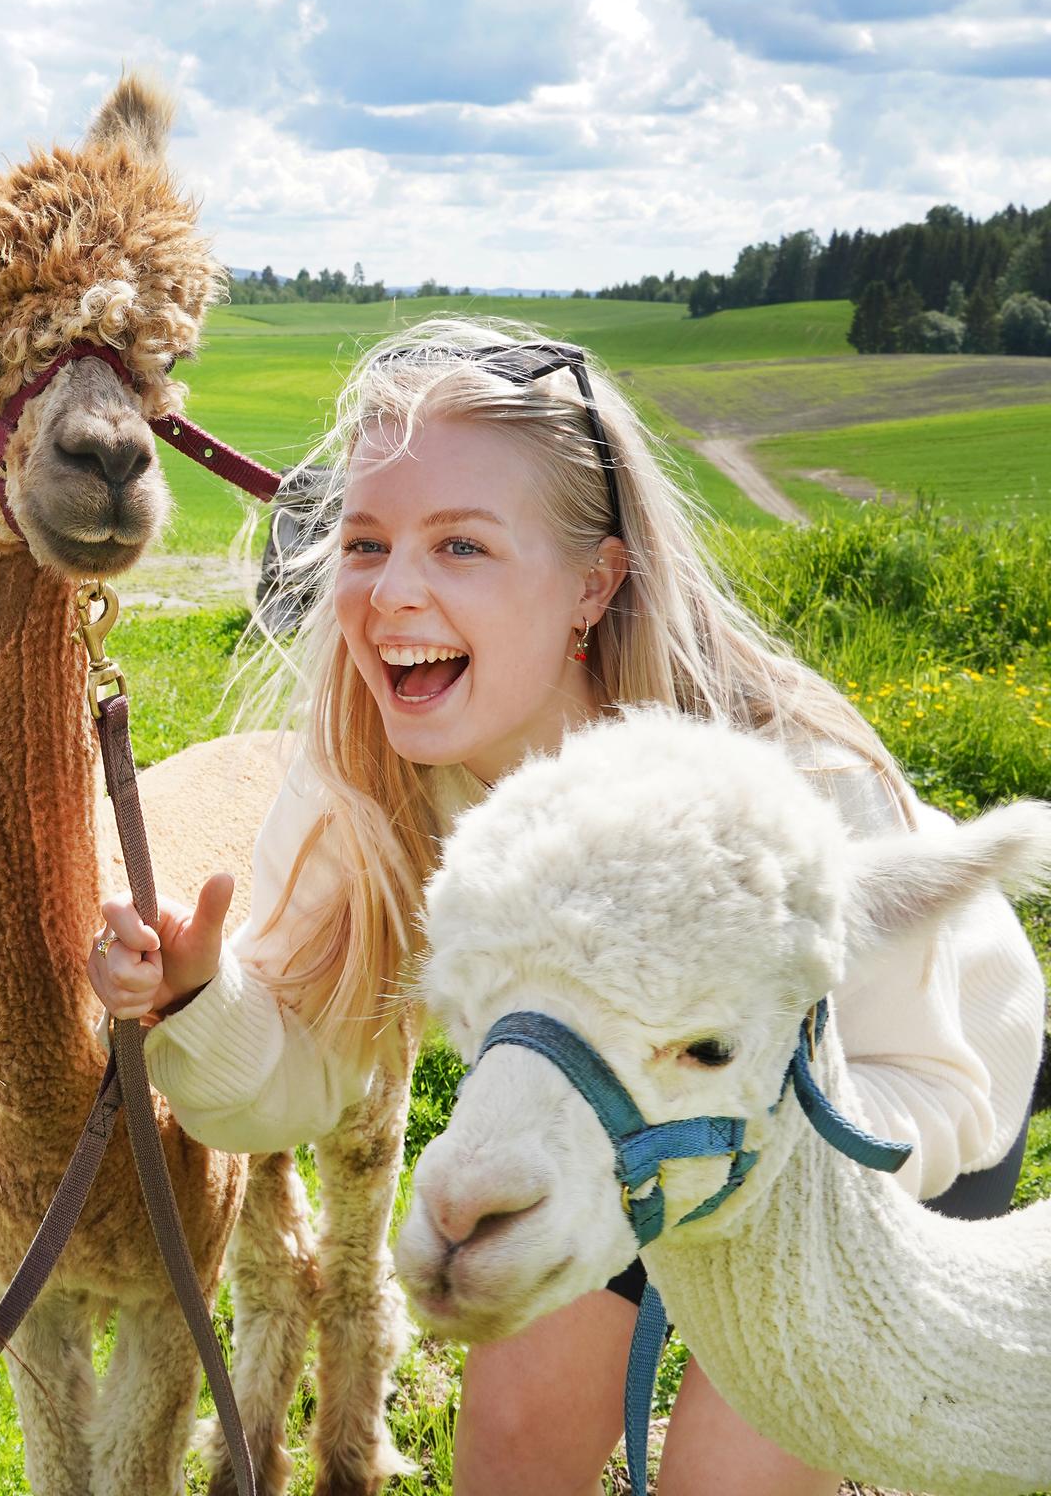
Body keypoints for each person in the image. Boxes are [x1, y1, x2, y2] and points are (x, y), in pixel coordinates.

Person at [85, 317, 1047, 1496]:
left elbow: (933, 1078)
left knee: (726, 1478)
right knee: (510, 1452)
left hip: (863, 1134)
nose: (393, 593)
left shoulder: (786, 777)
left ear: (591, 582)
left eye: (461, 548)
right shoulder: (369, 777)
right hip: (607, 1127)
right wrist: (201, 1000)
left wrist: (703, 1182)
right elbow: (297, 1074)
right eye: (367, 542)